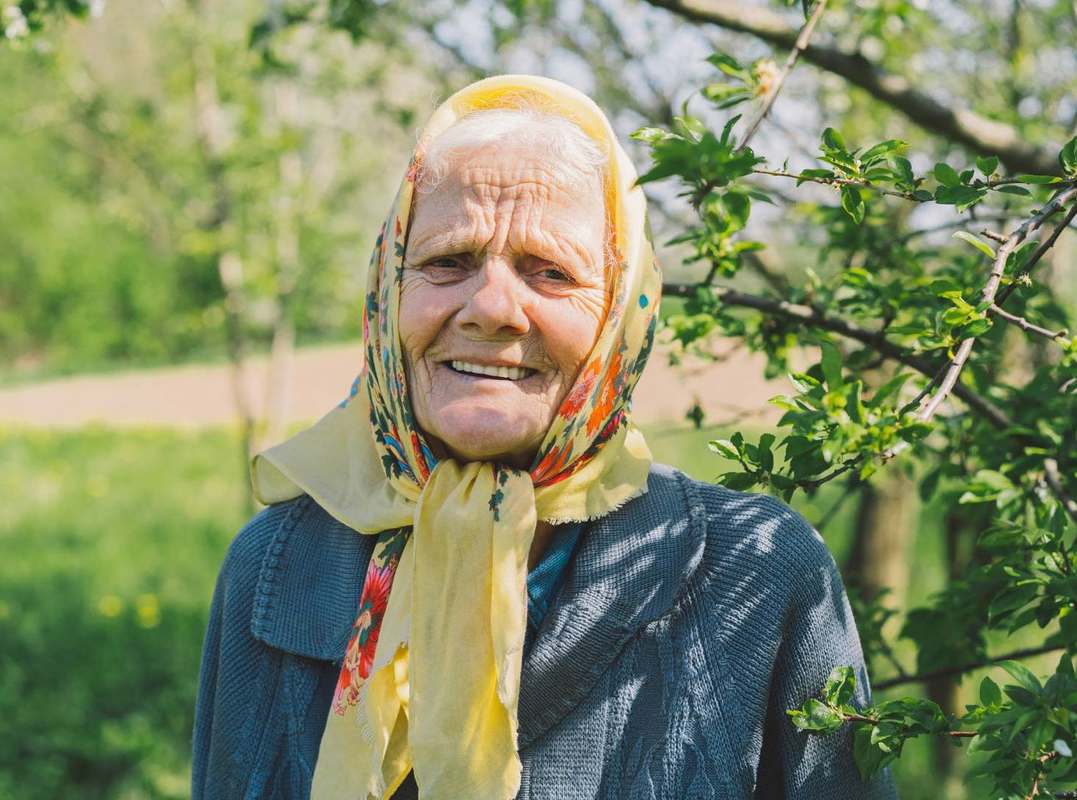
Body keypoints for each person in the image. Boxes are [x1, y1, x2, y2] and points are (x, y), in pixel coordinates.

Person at [191, 75, 897, 800]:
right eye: (447, 262)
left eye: (550, 272)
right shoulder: (279, 562)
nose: (493, 308)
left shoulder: (760, 568)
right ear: (386, 291)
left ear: (622, 314)